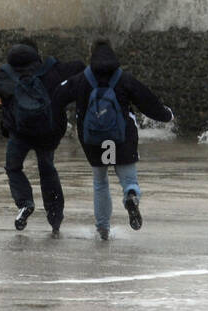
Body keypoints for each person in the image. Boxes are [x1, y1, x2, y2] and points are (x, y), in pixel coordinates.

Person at [54, 39, 174, 240]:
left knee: (101, 182)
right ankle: (131, 195)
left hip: (94, 141)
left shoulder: (82, 79)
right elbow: (148, 100)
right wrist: (166, 115)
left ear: (91, 54)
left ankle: (103, 228)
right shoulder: (124, 79)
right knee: (128, 178)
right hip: (121, 138)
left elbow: (57, 97)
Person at [0, 41, 83, 234]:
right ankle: (55, 218)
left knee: (13, 167)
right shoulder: (51, 71)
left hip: (20, 131)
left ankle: (25, 203)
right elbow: (80, 68)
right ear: (35, 57)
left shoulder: (5, 75)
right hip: (48, 132)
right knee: (47, 170)